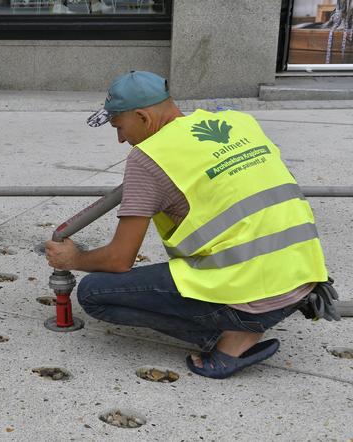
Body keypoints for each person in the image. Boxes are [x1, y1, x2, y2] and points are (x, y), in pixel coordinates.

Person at [44, 70, 339, 379]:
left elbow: (119, 260)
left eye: (119, 126)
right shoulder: (239, 123)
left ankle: (231, 339)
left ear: (143, 116)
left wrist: (74, 259)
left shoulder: (148, 158)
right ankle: (247, 322)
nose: (120, 138)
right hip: (304, 278)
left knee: (93, 293)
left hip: (251, 294)